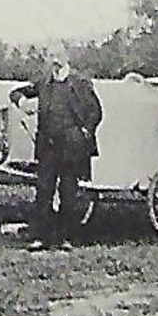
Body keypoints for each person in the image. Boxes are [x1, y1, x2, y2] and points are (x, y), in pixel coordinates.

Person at [27, 57, 102, 250]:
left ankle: (65, 238)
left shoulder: (80, 83)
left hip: (71, 147)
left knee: (68, 192)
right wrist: (21, 102)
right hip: (48, 147)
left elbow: (96, 111)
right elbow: (17, 92)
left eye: (59, 58)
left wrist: (85, 131)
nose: (55, 63)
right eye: (52, 59)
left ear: (66, 60)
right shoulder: (44, 83)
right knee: (44, 191)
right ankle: (42, 238)